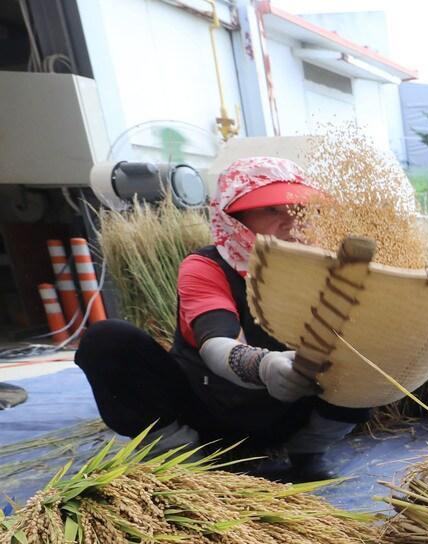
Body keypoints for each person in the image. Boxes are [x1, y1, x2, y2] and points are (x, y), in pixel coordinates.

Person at [76, 157, 370, 482]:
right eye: (271, 211)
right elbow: (216, 343)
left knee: (375, 354)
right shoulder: (207, 267)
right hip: (205, 410)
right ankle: (182, 459)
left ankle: (308, 452)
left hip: (289, 415)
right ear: (234, 217)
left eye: (300, 209)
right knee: (106, 340)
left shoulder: (329, 271)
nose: (291, 222)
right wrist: (265, 366)